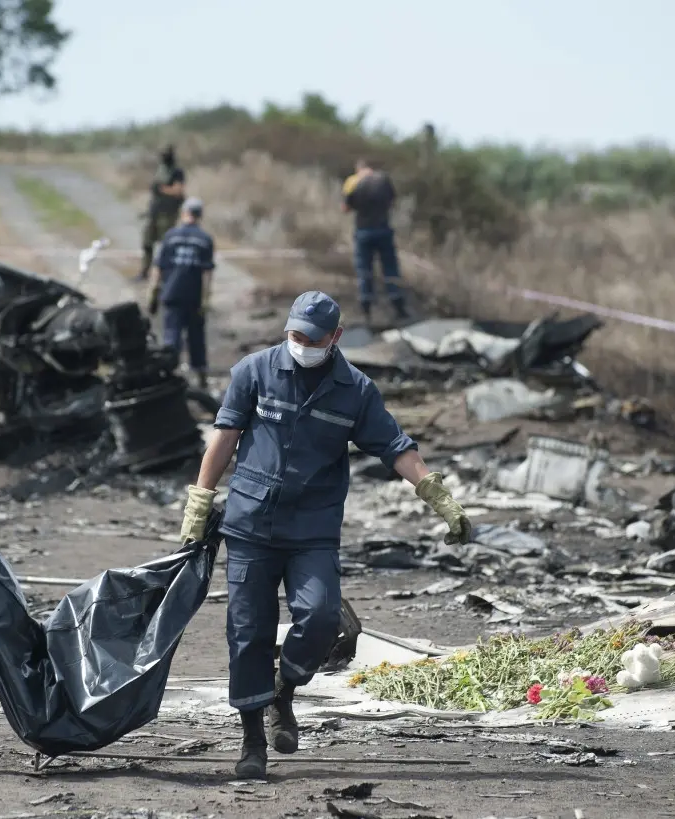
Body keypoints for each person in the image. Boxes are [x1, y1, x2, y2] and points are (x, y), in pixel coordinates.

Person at [178, 291, 471, 779]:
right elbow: (224, 439)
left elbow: (395, 446)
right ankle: (252, 741)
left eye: (313, 338)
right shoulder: (253, 371)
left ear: (335, 337)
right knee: (247, 632)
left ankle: (283, 693)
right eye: (295, 335)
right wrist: (199, 503)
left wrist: (437, 496)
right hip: (250, 525)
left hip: (312, 529)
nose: (302, 344)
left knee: (318, 618)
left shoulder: (355, 390)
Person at [146, 197, 215, 388]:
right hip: (193, 296)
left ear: (184, 213)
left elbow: (158, 267)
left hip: (171, 293)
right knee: (196, 338)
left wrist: (152, 293)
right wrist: (206, 299)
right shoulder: (205, 239)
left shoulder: (170, 236)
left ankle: (168, 376)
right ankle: (201, 378)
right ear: (200, 215)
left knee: (171, 337)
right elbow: (206, 273)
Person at [342, 158, 408, 321]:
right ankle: (398, 306)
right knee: (390, 268)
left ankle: (366, 309)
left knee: (365, 270)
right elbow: (392, 201)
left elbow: (346, 208)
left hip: (363, 231)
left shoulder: (353, 182)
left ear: (358, 169)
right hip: (383, 229)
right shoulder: (383, 180)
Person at [137, 145, 186, 281]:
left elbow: (177, 191)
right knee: (147, 242)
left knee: (167, 244)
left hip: (168, 213)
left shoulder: (177, 172)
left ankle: (166, 273)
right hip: (155, 211)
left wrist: (162, 189)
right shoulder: (161, 170)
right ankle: (145, 271)